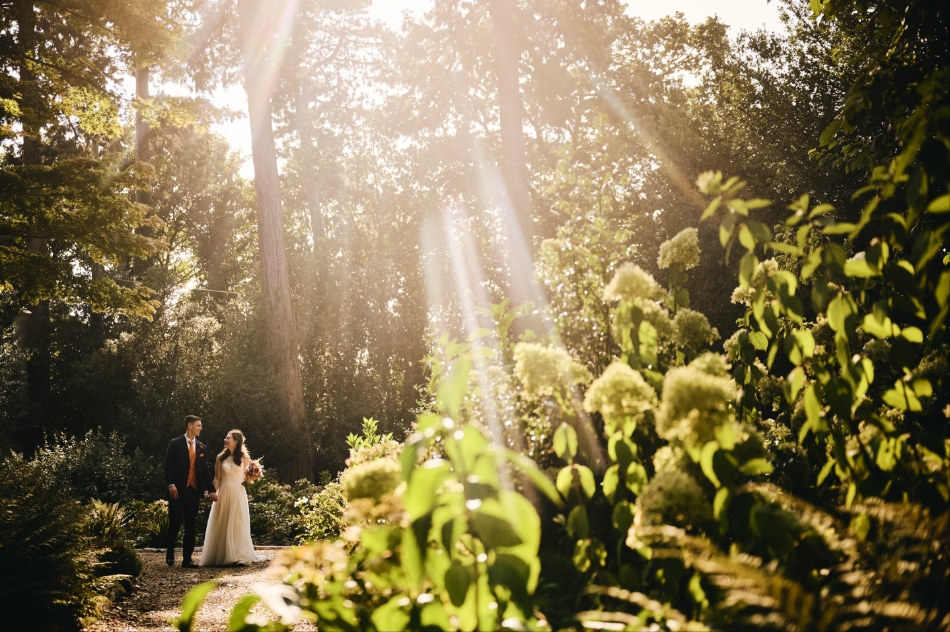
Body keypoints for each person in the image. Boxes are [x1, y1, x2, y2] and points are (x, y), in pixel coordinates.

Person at [199, 429, 266, 566]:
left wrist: (252, 476)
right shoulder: (220, 457)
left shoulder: (245, 458)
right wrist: (212, 492)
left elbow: (248, 478)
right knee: (222, 522)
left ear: (235, 441)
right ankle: (222, 555)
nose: (225, 439)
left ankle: (239, 557)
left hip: (238, 493)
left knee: (238, 523)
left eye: (228, 438)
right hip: (224, 492)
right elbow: (217, 478)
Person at [164, 415, 218, 567]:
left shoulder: (202, 447)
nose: (201, 428)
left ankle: (187, 559)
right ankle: (170, 551)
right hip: (177, 491)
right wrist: (171, 484)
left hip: (193, 491)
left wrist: (211, 490)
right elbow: (167, 467)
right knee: (175, 522)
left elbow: (205, 471)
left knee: (191, 525)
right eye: (198, 425)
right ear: (190, 425)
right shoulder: (175, 444)